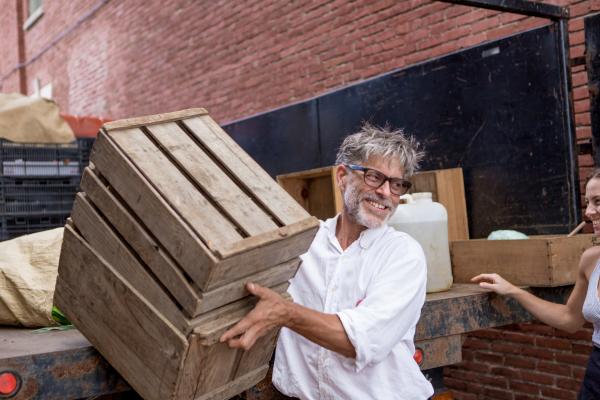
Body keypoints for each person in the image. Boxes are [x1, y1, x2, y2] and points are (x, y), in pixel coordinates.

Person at [220, 123, 434, 399]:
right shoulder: (302, 244)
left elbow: (362, 341)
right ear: (343, 176)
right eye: (374, 177)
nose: (385, 192)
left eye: (396, 184)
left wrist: (286, 313)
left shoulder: (403, 254)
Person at [472, 169, 600, 399]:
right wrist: (511, 290)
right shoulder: (591, 260)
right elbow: (569, 319)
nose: (589, 212)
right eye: (588, 203)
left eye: (598, 202)